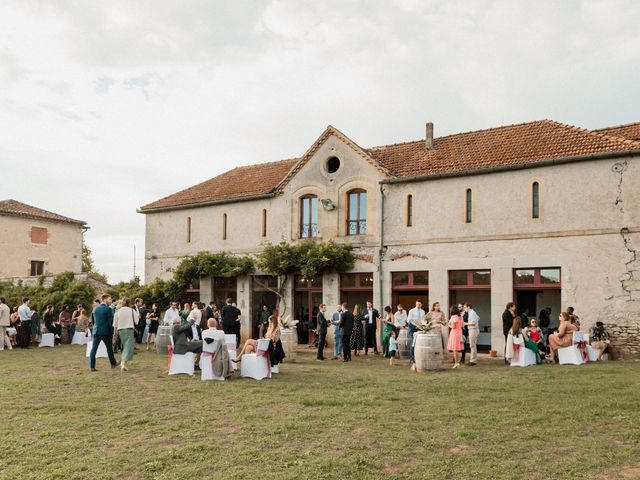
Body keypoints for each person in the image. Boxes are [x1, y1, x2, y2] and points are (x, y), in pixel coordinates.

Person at [89, 294, 118, 371]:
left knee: (93, 349)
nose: (111, 301)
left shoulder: (95, 309)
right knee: (109, 348)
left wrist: (94, 329)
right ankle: (113, 364)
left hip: (96, 331)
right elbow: (110, 322)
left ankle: (92, 366)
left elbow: (93, 321)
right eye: (109, 299)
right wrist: (112, 333)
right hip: (105, 332)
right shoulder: (108, 309)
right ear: (104, 300)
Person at [112, 297, 139, 372]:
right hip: (129, 329)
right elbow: (137, 322)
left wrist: (114, 333)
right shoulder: (132, 310)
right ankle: (123, 363)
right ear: (129, 303)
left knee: (126, 347)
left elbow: (115, 324)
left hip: (120, 330)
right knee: (128, 347)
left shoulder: (118, 311)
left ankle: (124, 363)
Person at [407, 300, 426, 367]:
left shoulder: (423, 311)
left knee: (419, 343)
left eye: (419, 304)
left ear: (421, 305)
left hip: (419, 328)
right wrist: (415, 325)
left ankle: (418, 358)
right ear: (416, 304)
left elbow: (423, 320)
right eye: (417, 304)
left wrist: (423, 325)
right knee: (413, 343)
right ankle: (412, 359)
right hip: (412, 328)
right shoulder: (411, 311)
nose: (418, 305)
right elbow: (408, 320)